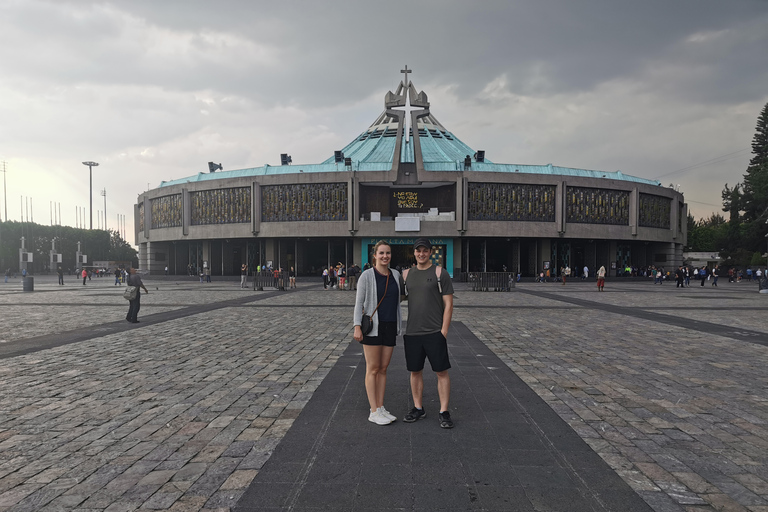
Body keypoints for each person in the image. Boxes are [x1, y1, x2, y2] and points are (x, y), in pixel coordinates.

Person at [402, 237, 455, 429]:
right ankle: (418, 408)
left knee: (441, 371)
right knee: (415, 371)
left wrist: (444, 331)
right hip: (413, 332)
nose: (421, 254)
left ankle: (444, 411)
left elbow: (449, 304)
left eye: (425, 250)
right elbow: (395, 298)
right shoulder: (406, 275)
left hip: (435, 332)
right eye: (418, 250)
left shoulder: (441, 273)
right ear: (414, 253)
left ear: (430, 252)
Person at [353, 241, 403, 425]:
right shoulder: (366, 276)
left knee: (383, 369)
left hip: (390, 325)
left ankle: (381, 407)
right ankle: (373, 410)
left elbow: (401, 296)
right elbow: (359, 303)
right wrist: (357, 325)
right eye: (381, 253)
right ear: (374, 255)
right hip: (373, 327)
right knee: (372, 368)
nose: (385, 256)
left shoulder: (396, 275)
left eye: (388, 253)